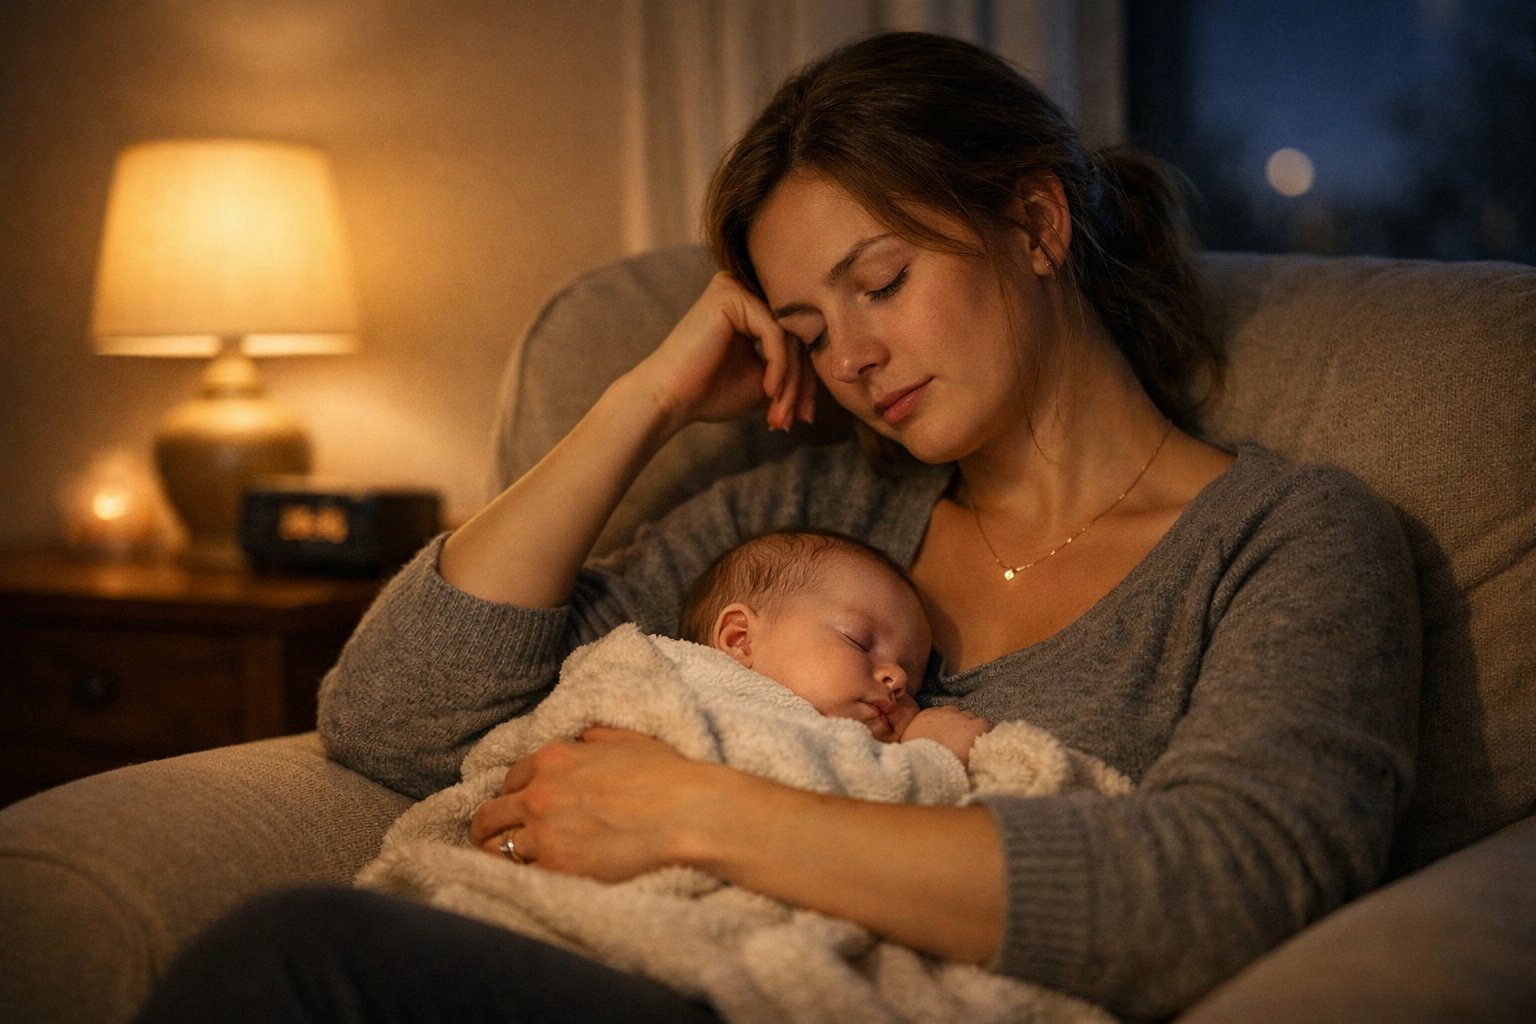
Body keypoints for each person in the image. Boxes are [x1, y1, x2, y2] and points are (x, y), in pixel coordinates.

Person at [134, 30, 1419, 1024]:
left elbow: (1227, 888)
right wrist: (642, 403)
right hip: (673, 964)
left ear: (1035, 222)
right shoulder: (811, 519)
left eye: (882, 282)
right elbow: (397, 716)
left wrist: (699, 813)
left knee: (298, 964)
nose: (851, 358)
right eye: (807, 329)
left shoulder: (1291, 542)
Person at [679, 527, 991, 763]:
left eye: (913, 689)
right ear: (740, 639)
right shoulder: (672, 694)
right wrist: (932, 755)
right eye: (859, 642)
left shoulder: (847, 754)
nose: (898, 679)